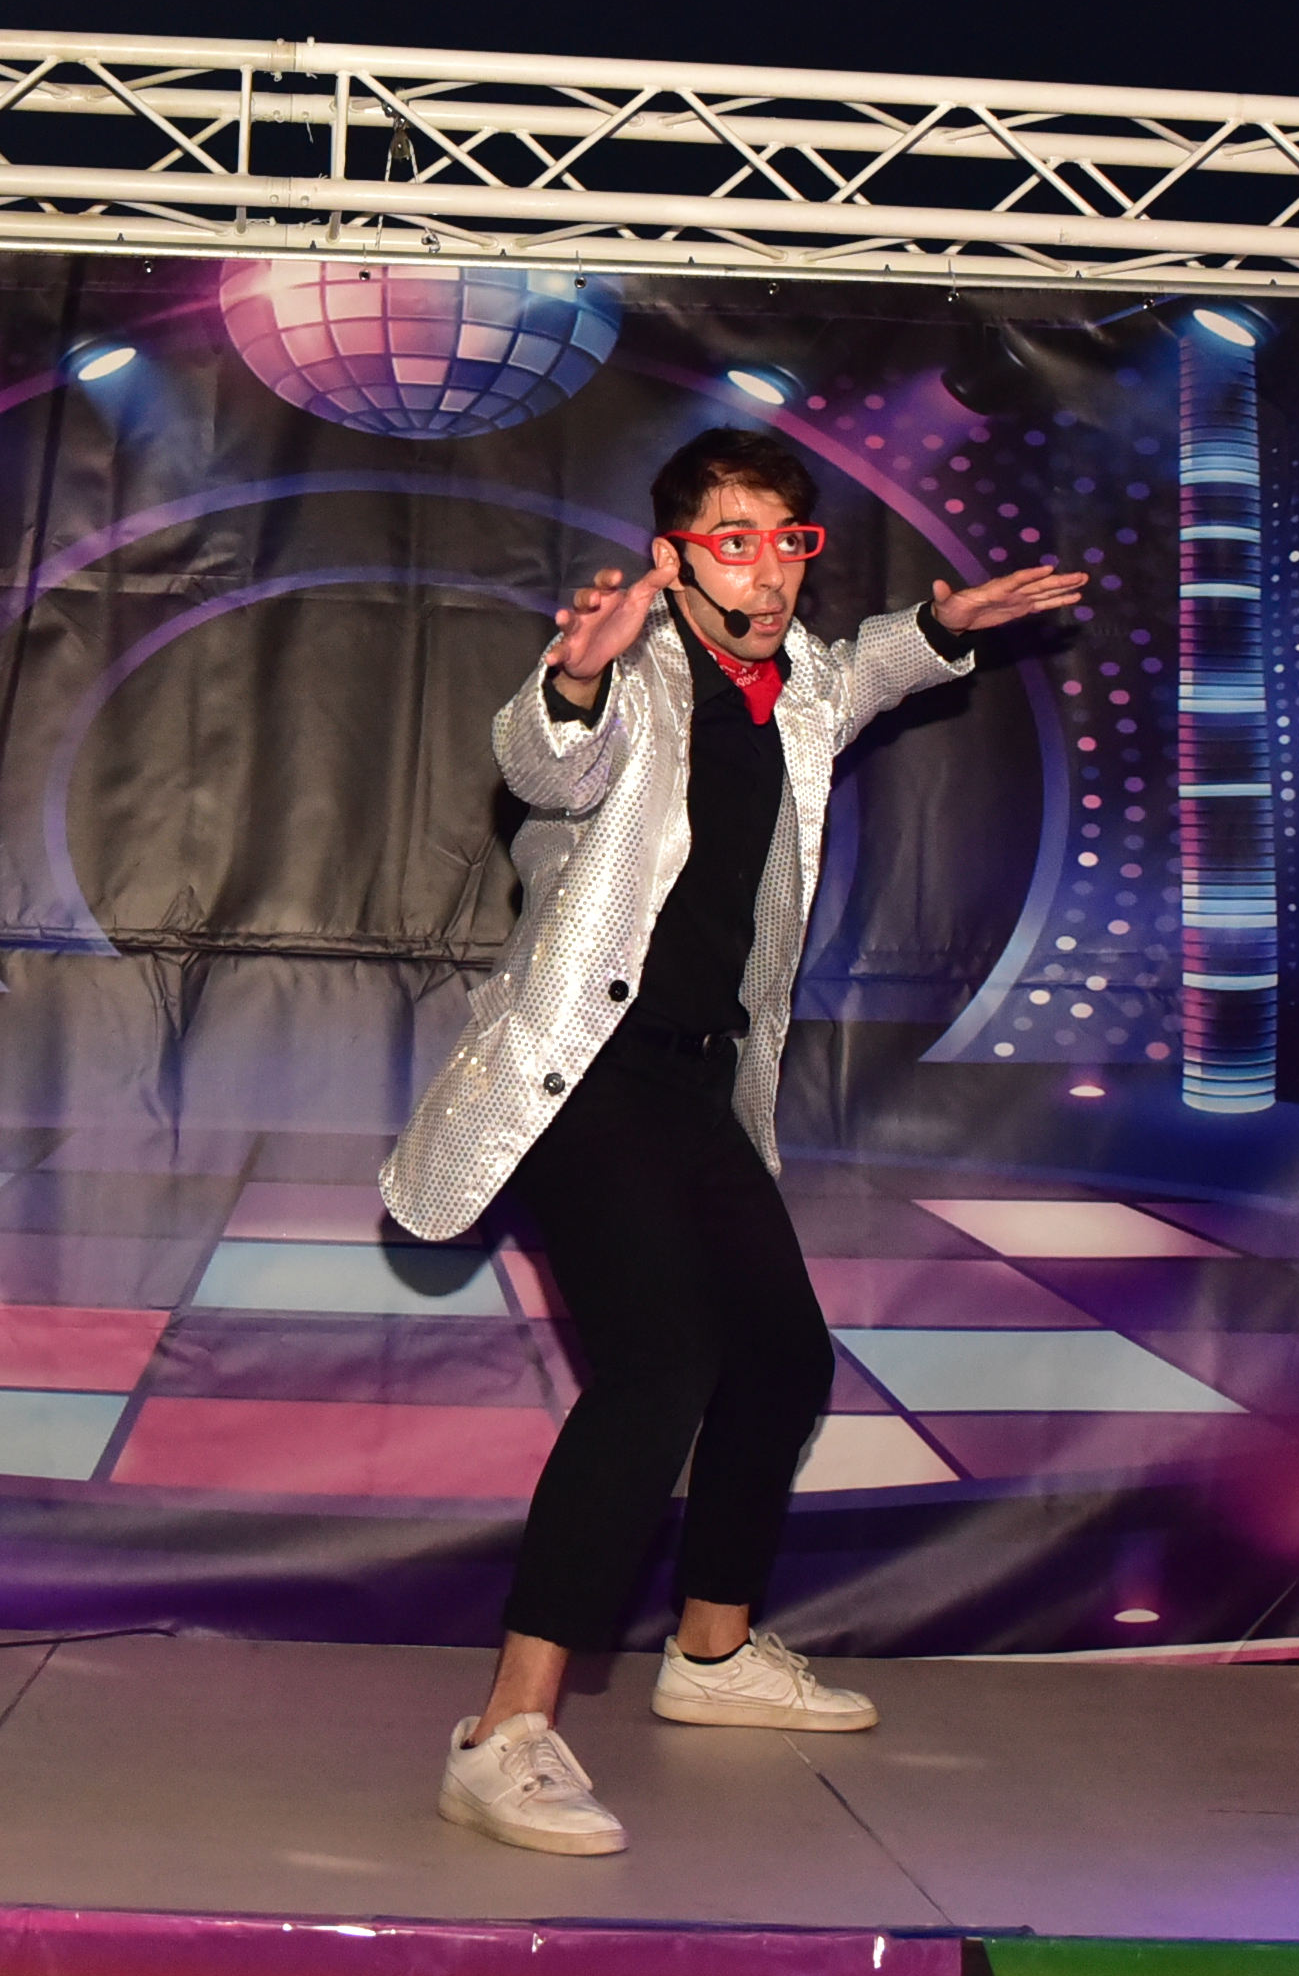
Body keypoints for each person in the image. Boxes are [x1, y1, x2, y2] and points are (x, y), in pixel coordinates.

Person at [384, 425, 1085, 1855]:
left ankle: (710, 1655)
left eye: (785, 539)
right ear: (672, 557)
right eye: (730, 539)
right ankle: (505, 1728)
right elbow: (543, 763)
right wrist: (573, 672)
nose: (763, 567)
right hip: (584, 1077)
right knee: (660, 1365)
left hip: (703, 1085)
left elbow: (871, 666)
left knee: (780, 1358)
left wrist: (943, 622)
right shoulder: (634, 674)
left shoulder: (802, 678)